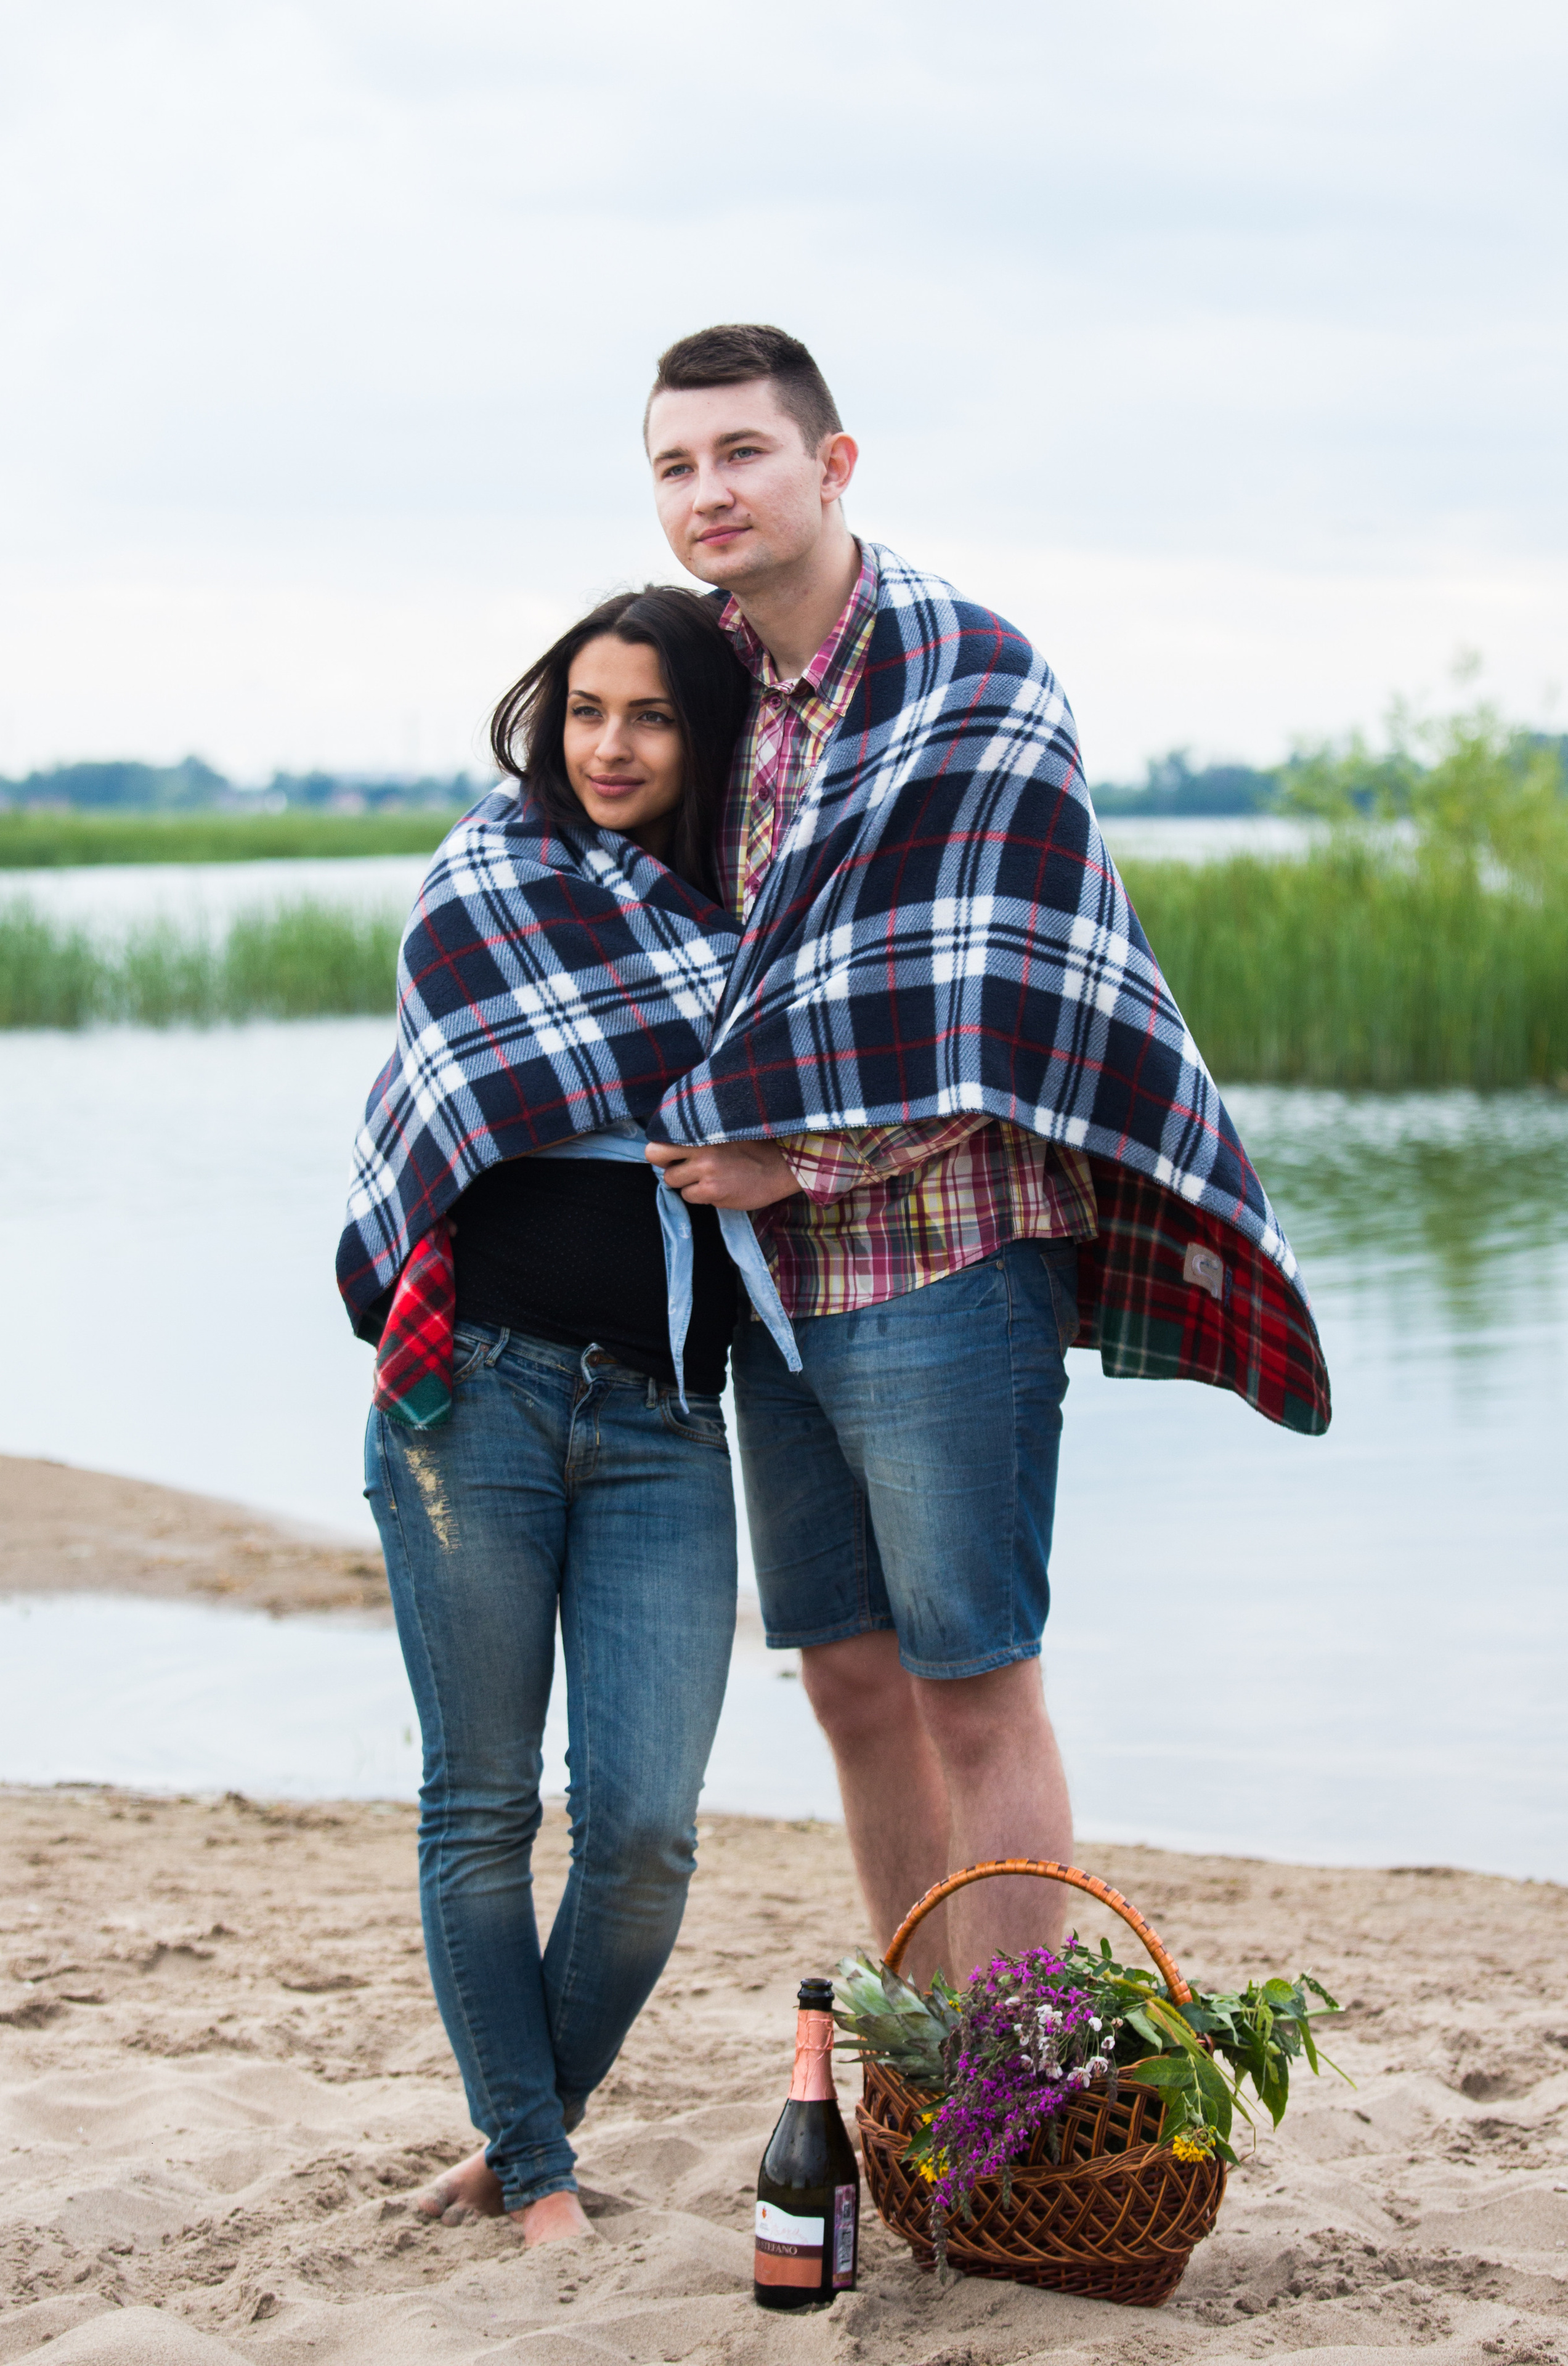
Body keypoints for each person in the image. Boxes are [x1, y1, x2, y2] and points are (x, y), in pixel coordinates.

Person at [633, 324, 1331, 1984]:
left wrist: (803, 1161)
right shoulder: (691, 683)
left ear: (832, 465)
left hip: (947, 1254)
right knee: (847, 1679)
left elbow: (1010, 1002)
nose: (710, 491)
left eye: (743, 452)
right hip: (771, 1288)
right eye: (675, 465)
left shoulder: (971, 671)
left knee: (974, 1686)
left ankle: (1011, 2078)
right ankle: (925, 2057)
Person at [337, 586, 797, 2246]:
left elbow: (820, 1101)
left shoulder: (766, 913)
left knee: (648, 1834)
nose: (610, 745)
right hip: (479, 1394)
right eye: (586, 710)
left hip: (668, 1417)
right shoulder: (488, 877)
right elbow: (441, 1110)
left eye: (652, 715)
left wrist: (784, 1155)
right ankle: (536, 2175)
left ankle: (519, 2140)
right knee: (480, 1804)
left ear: (706, 736)